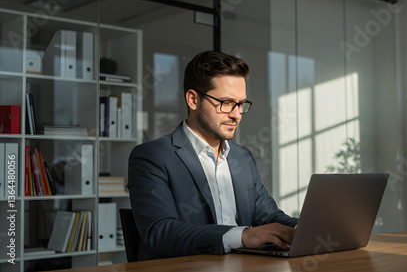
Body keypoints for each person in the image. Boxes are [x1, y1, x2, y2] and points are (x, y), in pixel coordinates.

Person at [128, 50, 298, 260]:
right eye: (226, 103)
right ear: (193, 99)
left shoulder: (243, 158)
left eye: (241, 104)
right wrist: (243, 236)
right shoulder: (152, 156)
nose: (236, 115)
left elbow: (269, 217)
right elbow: (161, 232)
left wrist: (307, 228)